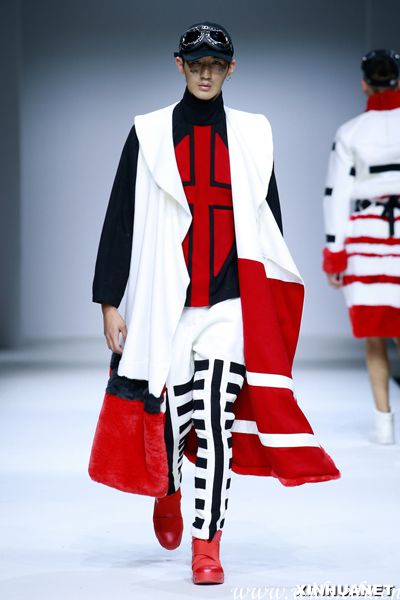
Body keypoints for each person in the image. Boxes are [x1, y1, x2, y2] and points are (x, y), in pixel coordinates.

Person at [89, 21, 340, 585]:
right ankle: (169, 488)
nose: (206, 73)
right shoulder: (150, 132)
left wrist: (269, 298)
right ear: (179, 65)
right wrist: (109, 299)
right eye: (197, 63)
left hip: (229, 302)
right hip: (168, 302)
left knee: (215, 422)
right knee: (173, 420)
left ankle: (208, 545)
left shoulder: (253, 133)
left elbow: (270, 220)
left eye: (216, 64)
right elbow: (120, 214)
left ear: (232, 68)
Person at [322, 48, 400, 445]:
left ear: (364, 84)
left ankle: (384, 424)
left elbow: (336, 194)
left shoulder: (351, 132)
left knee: (375, 333)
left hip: (367, 236)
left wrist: (334, 252)